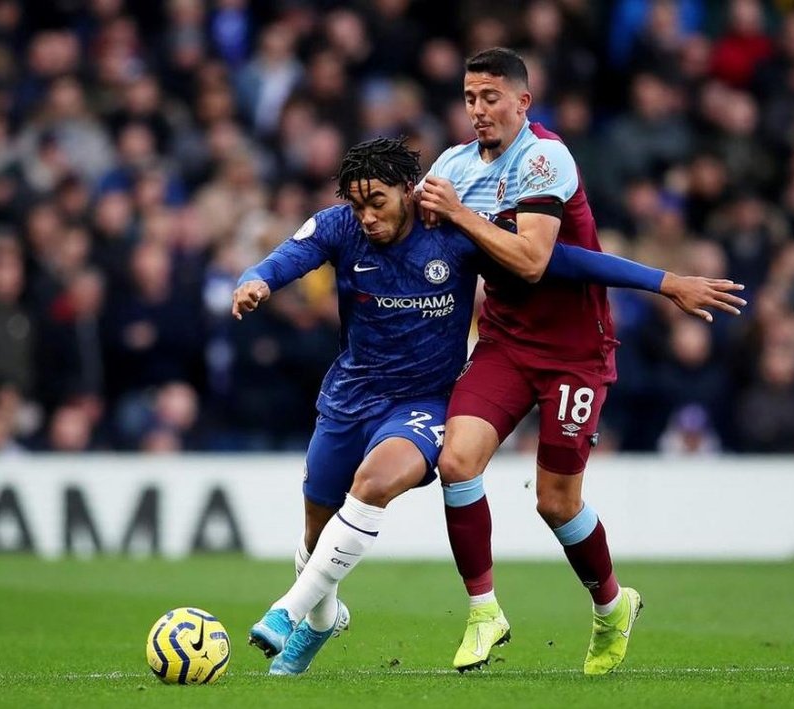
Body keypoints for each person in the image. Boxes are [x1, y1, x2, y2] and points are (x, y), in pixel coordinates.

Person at [233, 137, 743, 676]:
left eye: (377, 203)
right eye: (358, 206)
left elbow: (563, 261)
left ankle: (288, 612)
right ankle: (320, 620)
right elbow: (287, 257)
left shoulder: (454, 232)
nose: (367, 218)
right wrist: (255, 282)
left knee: (378, 482)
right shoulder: (339, 226)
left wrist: (664, 282)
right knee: (316, 536)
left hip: (424, 404)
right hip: (350, 397)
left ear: (409, 191)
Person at [418, 47, 744, 674]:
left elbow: (537, 261)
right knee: (456, 461)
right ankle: (484, 612)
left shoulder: (545, 157)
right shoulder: (453, 164)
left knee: (556, 502)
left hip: (574, 353)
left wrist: (661, 281)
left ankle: (611, 605)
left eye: (491, 98)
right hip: (506, 341)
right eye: (469, 98)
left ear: (522, 102)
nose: (478, 110)